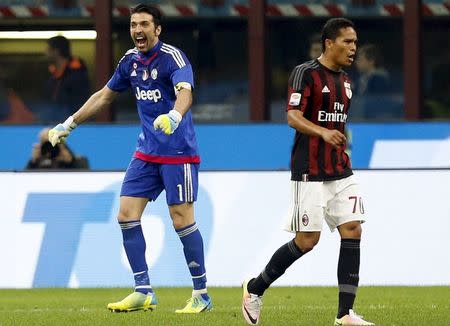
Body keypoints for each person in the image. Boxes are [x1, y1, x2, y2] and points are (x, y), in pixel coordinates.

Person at [47, 3, 212, 314]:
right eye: (134, 24)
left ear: (157, 29)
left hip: (178, 153)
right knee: (126, 214)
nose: (138, 29)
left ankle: (201, 293)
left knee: (181, 219)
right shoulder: (130, 61)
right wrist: (69, 124)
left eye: (145, 24)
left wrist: (175, 115)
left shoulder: (173, 58)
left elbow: (185, 92)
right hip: (146, 153)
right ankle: (143, 289)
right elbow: (104, 95)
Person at [241, 18, 374, 326]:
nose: (353, 48)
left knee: (353, 229)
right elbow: (292, 117)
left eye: (355, 42)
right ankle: (255, 289)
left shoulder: (347, 82)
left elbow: (336, 124)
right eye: (347, 42)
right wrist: (323, 133)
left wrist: (334, 139)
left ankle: (345, 314)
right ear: (329, 43)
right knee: (307, 240)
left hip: (341, 170)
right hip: (309, 171)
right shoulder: (305, 74)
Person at [44, 35, 90, 123]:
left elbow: (79, 102)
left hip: (73, 123)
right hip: (53, 121)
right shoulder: (52, 74)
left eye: (48, 49)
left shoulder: (78, 73)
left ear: (56, 51)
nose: (45, 52)